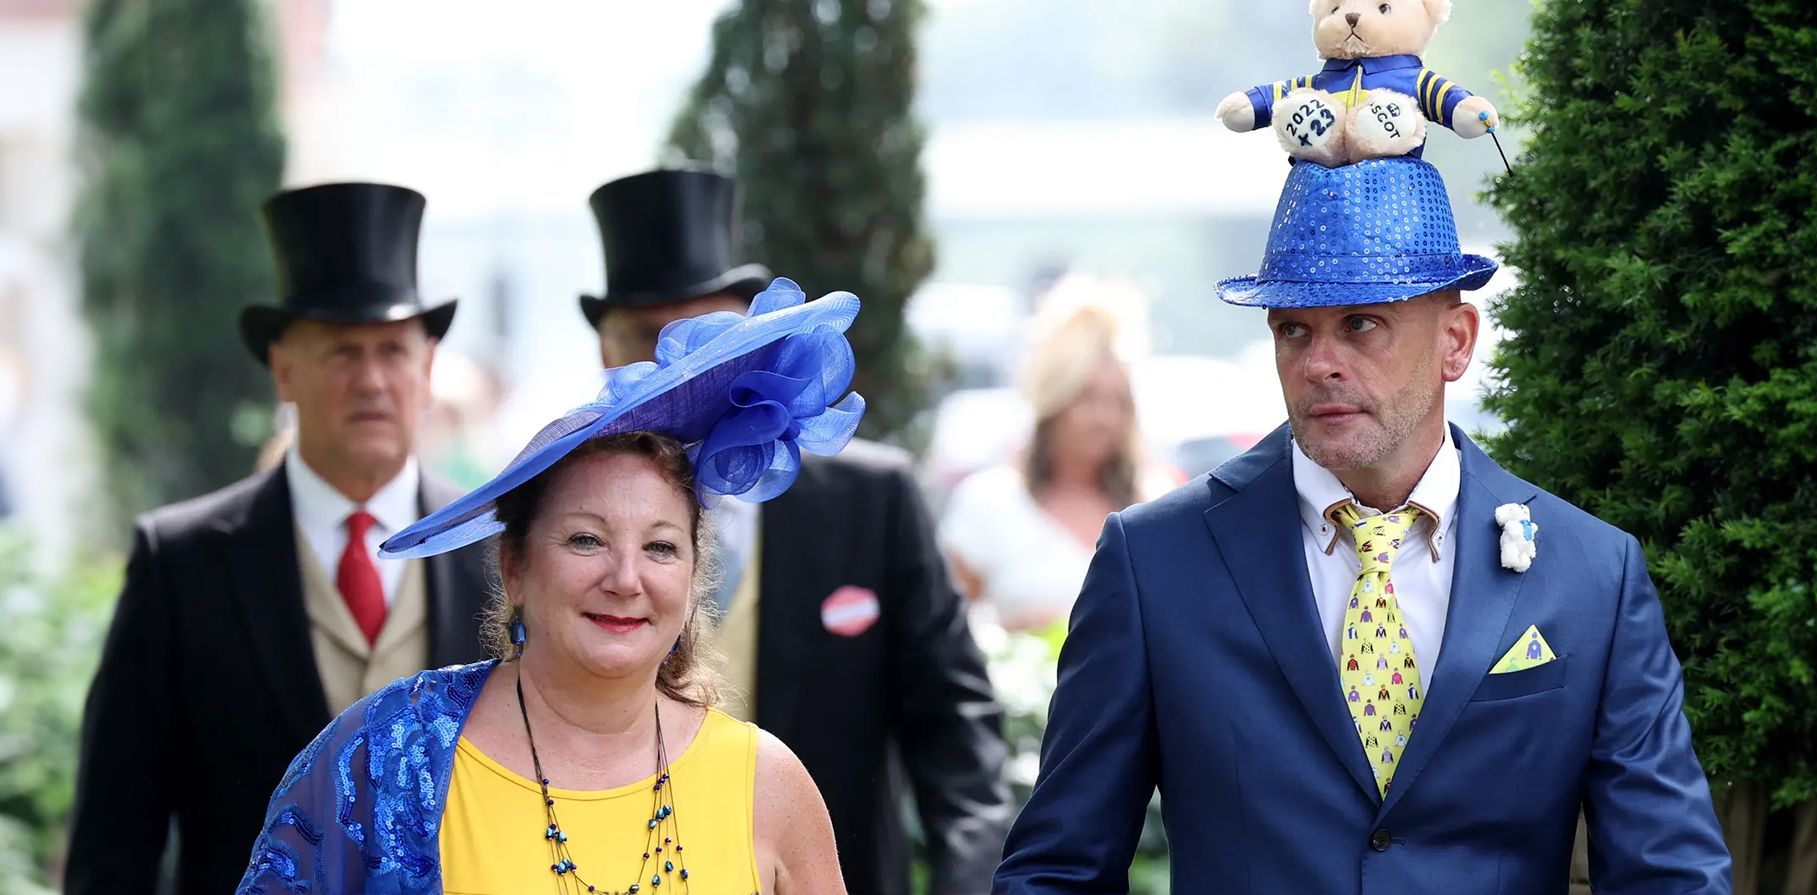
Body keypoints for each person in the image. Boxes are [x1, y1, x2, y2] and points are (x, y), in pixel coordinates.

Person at [992, 157, 1732, 892]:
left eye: (1360, 323)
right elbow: (1059, 871)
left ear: (1457, 341)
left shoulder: (1591, 574)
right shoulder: (1156, 562)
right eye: (1293, 331)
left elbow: (1670, 872)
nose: (1319, 363)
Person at [237, 278, 860, 894]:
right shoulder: (386, 757)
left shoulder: (768, 785)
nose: (625, 579)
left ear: (693, 574)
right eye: (586, 540)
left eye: (660, 547)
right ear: (514, 568)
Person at [582, 168, 1009, 894]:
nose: (682, 371)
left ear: (752, 338)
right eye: (652, 339)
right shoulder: (563, 521)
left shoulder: (872, 502)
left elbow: (955, 731)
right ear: (605, 351)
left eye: (706, 336)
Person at [67, 182, 494, 895]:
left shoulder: (496, 550)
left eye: (392, 349)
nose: (371, 380)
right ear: (283, 367)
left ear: (426, 368)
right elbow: (114, 843)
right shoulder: (182, 563)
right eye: (340, 350)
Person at [939, 279, 1159, 633]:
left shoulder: (1153, 504)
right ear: (1054, 401)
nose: (1103, 418)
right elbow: (943, 631)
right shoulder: (988, 505)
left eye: (1117, 401)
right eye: (1086, 398)